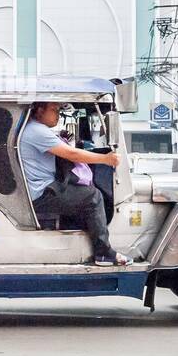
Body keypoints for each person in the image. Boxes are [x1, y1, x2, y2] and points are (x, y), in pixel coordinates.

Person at [19, 101, 131, 266]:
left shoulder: (33, 129)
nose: (57, 114)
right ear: (39, 110)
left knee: (80, 193)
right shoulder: (36, 130)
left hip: (40, 190)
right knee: (93, 196)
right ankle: (103, 253)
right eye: (54, 109)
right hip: (41, 195)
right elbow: (71, 154)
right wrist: (106, 159)